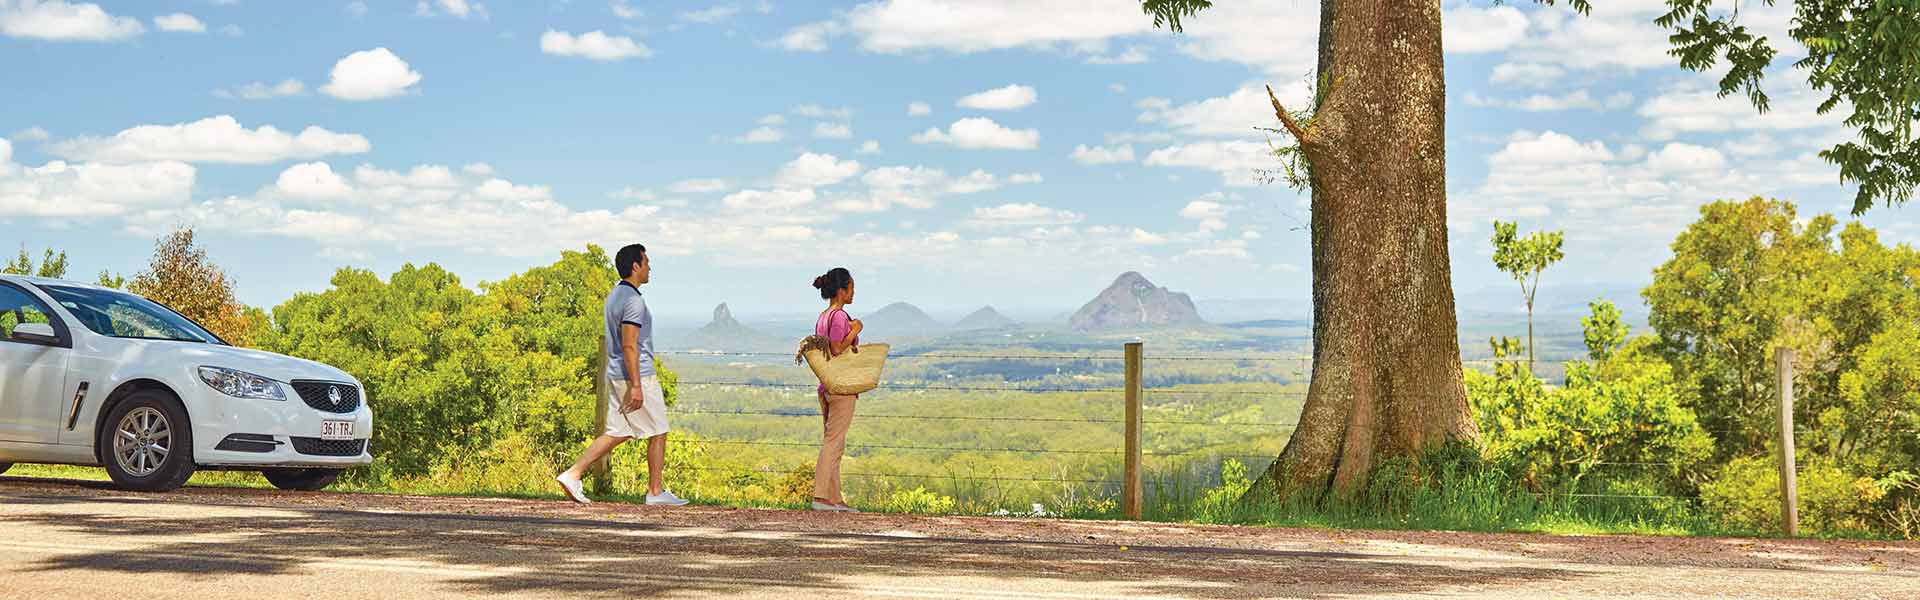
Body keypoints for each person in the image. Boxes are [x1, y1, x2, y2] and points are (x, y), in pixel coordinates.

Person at [555, 243, 688, 506]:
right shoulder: (633, 301)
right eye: (646, 262)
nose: (650, 267)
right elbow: (629, 344)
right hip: (635, 376)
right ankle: (655, 491)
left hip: (616, 375)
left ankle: (573, 474)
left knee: (619, 431)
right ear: (635, 266)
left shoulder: (615, 295)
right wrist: (637, 386)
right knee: (659, 430)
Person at [809, 267, 863, 512]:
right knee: (833, 443)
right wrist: (855, 329)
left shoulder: (823, 316)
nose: (853, 292)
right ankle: (821, 497)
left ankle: (834, 499)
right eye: (851, 288)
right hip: (841, 387)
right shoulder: (840, 317)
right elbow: (838, 348)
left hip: (826, 385)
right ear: (842, 290)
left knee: (835, 443)